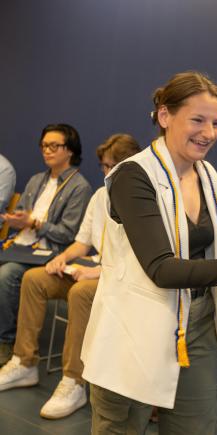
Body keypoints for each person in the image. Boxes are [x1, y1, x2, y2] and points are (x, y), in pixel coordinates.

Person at [80, 71, 217, 435]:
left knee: (198, 424)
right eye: (198, 120)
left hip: (199, 323)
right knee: (121, 426)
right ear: (164, 116)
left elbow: (204, 251)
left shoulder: (208, 175)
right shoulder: (133, 176)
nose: (209, 132)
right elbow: (162, 268)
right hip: (135, 329)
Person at [0, 134, 140, 419]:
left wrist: (95, 271)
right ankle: (24, 361)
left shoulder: (141, 201)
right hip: (92, 265)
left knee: (80, 293)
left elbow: (135, 259)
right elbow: (81, 242)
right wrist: (62, 258)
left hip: (121, 277)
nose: (107, 173)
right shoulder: (100, 196)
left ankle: (74, 380)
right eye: (104, 166)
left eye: (114, 166)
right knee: (34, 279)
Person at [0, 124, 92, 366]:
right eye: (44, 145)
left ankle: (6, 342)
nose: (47, 150)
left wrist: (35, 223)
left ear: (69, 150)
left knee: (7, 275)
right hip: (20, 246)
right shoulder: (36, 180)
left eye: (54, 145)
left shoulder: (79, 187)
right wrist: (17, 220)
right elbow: (24, 215)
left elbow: (67, 235)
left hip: (47, 255)